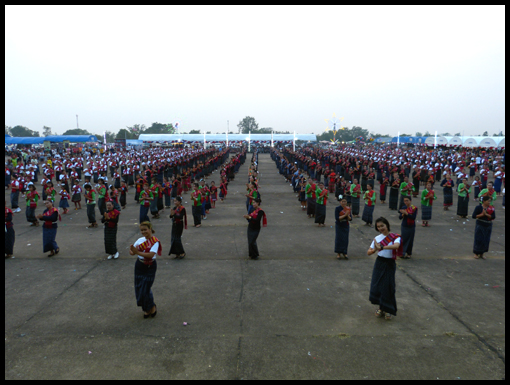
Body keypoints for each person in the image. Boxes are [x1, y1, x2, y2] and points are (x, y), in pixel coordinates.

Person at [367, 217, 402, 320]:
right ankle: (381, 308)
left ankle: (388, 309)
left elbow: (396, 246)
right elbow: (369, 252)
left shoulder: (395, 237)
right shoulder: (377, 238)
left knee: (388, 286)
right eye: (378, 227)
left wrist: (382, 247)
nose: (380, 228)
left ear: (387, 225)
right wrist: (373, 251)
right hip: (379, 263)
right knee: (378, 285)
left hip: (389, 263)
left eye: (382, 226)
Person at [129, 221, 161, 318]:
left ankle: (151, 306)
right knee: (139, 288)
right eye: (141, 230)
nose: (143, 232)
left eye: (145, 229)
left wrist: (137, 252)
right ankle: (147, 309)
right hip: (140, 265)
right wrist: (133, 251)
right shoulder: (140, 240)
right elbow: (132, 252)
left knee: (145, 289)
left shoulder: (155, 241)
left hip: (150, 266)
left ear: (150, 229)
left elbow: (151, 254)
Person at [472, 196, 495, 260]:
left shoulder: (491, 208)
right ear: (484, 201)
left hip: (488, 225)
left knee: (486, 239)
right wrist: (482, 215)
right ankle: (476, 253)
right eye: (488, 201)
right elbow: (474, 216)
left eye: (490, 201)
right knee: (479, 238)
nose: (489, 202)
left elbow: (493, 217)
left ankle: (482, 253)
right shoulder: (478, 207)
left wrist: (486, 214)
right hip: (480, 224)